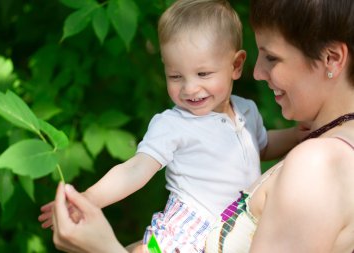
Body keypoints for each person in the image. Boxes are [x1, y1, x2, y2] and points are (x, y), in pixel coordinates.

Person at [49, 0, 354, 252]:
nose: (258, 72)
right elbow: (134, 170)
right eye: (176, 76)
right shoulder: (175, 123)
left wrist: (104, 247)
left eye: (273, 58)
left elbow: (258, 145)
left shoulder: (317, 163)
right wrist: (89, 199)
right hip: (183, 230)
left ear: (331, 58)